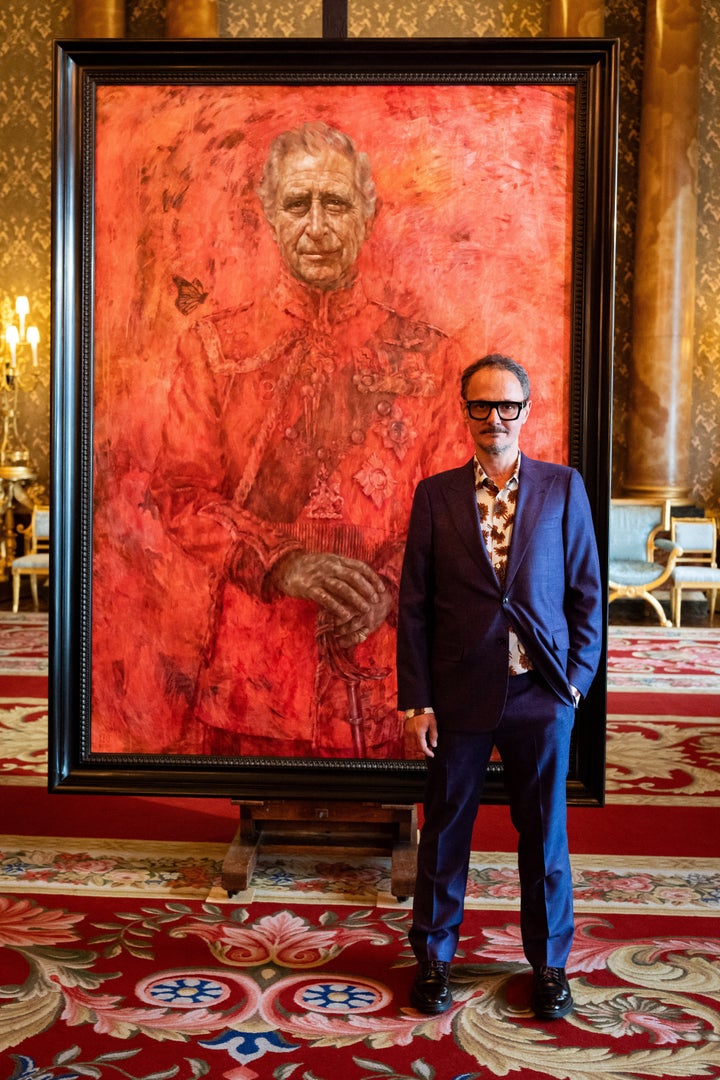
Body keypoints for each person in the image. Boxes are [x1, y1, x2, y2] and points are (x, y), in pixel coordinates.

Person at [151, 121, 465, 759]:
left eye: (337, 202)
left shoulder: (430, 358)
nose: (317, 226)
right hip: (258, 667)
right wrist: (285, 564)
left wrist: (385, 587)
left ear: (367, 213)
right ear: (269, 214)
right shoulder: (213, 350)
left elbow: (456, 511)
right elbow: (179, 494)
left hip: (386, 664)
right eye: (298, 204)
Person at [396, 353, 603, 1020]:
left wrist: (574, 683)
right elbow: (415, 606)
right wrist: (417, 699)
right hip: (459, 694)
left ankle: (549, 967)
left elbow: (586, 597)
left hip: (540, 693)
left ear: (526, 411)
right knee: (445, 831)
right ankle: (433, 959)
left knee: (544, 835)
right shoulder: (435, 497)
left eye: (506, 406)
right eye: (481, 406)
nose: (494, 418)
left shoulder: (563, 489)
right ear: (465, 413)